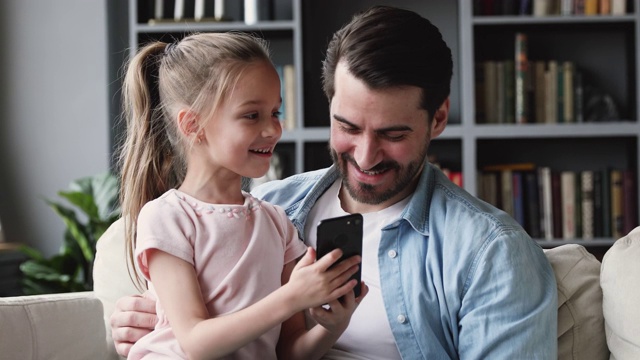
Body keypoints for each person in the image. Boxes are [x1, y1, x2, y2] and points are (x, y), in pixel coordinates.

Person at [105, 6, 558, 359]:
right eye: (348, 127)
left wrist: (329, 324)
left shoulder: (491, 253)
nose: (365, 156)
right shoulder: (274, 207)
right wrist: (138, 315)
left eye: (393, 134)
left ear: (438, 118)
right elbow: (192, 319)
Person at [117, 31, 367, 359]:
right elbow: (195, 342)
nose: (273, 129)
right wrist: (292, 297)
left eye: (275, 113)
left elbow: (289, 352)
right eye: (252, 115)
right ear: (193, 125)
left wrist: (332, 327)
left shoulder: (277, 223)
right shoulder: (167, 217)